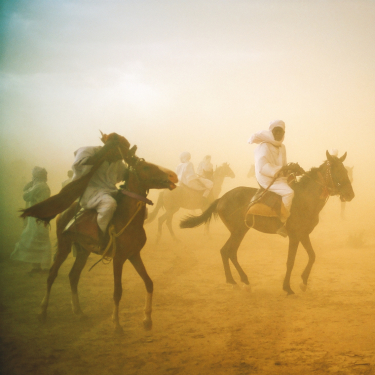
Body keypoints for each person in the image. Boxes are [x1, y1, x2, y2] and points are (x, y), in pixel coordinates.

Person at [71, 133, 130, 240]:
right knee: (109, 205)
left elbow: (127, 175)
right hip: (90, 191)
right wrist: (105, 150)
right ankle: (100, 237)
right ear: (110, 148)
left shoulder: (118, 162)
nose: (119, 158)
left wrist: (133, 164)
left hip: (110, 191)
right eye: (118, 154)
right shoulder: (87, 151)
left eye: (121, 156)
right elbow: (80, 166)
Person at [248, 120, 294, 237]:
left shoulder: (282, 147)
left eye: (281, 132)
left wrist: (291, 170)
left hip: (278, 176)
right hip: (266, 176)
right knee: (289, 192)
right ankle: (282, 223)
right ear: (271, 132)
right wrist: (279, 170)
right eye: (276, 131)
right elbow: (262, 166)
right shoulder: (264, 146)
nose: (278, 134)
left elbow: (283, 164)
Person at [11, 167, 52, 273]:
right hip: (39, 217)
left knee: (38, 240)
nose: (32, 178)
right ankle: (38, 266)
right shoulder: (43, 185)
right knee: (37, 240)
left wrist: (28, 186)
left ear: (36, 177)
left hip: (37, 219)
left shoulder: (39, 186)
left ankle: (43, 266)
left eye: (33, 176)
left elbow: (26, 196)